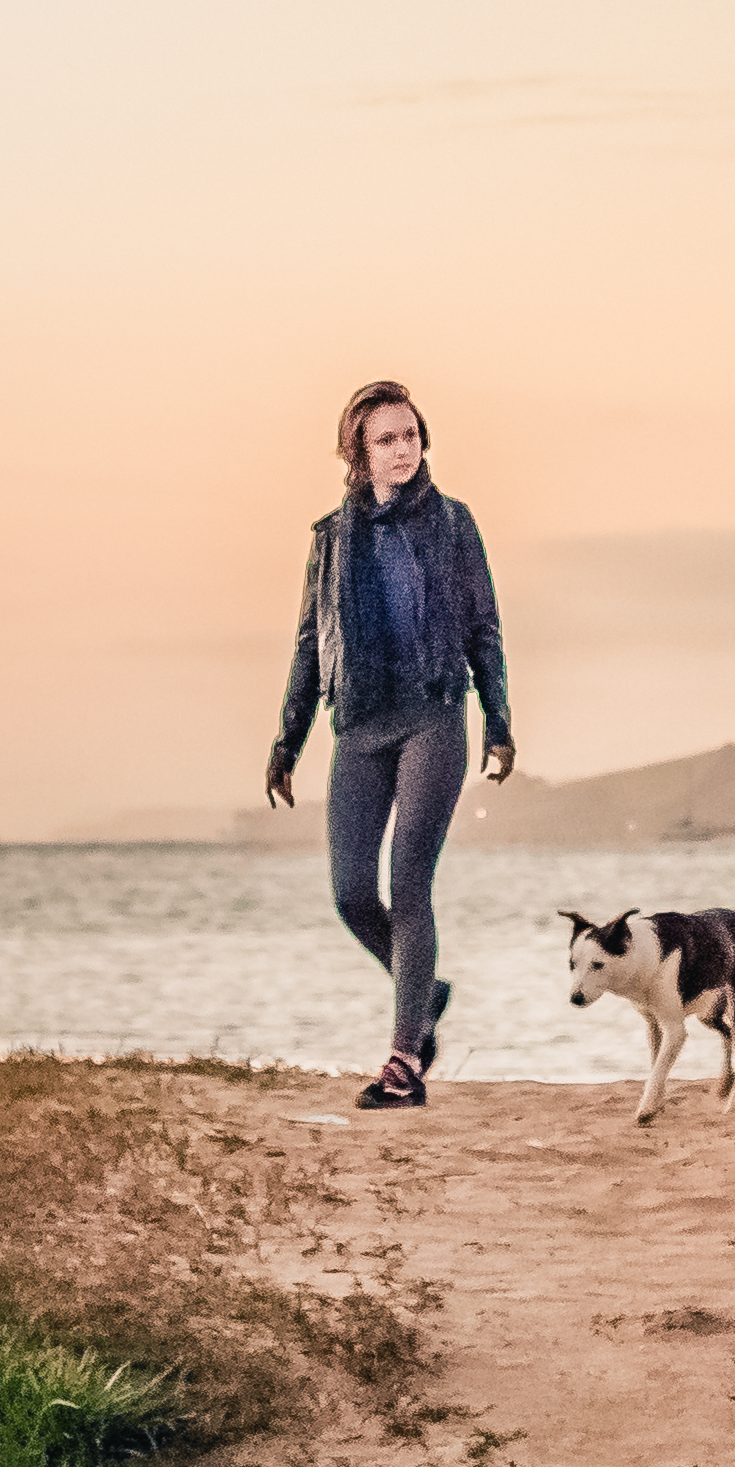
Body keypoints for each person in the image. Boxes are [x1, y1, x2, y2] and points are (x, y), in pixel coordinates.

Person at [266, 379, 515, 1109]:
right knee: (350, 891)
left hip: (434, 713)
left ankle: (405, 1059)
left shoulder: (453, 525)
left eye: (410, 435)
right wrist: (287, 741)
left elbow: (484, 628)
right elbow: (311, 644)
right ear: (359, 452)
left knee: (410, 881)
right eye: (386, 439)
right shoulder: (331, 538)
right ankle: (423, 989)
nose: (403, 449)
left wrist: (498, 722)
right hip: (361, 724)